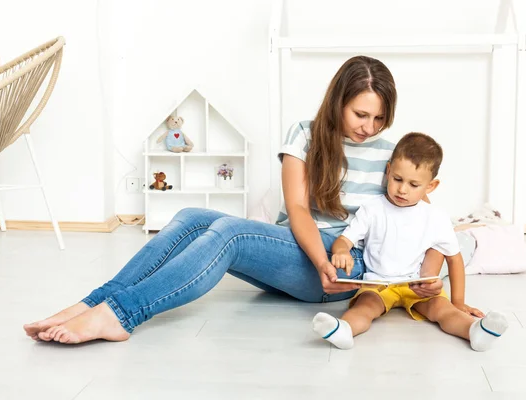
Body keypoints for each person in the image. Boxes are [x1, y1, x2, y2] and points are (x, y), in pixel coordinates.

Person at [23, 55, 446, 344]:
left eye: (378, 117)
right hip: (304, 254)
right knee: (190, 215)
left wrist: (430, 273)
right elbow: (297, 209)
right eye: (360, 114)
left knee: (230, 233)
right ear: (339, 102)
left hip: (341, 267)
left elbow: (419, 216)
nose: (368, 127)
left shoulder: (390, 154)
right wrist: (315, 258)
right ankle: (94, 301)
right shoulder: (304, 134)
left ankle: (119, 316)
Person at [312, 132, 508, 351]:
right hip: (378, 284)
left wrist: (459, 302)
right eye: (397, 179)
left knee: (443, 311)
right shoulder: (372, 210)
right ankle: (344, 330)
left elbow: (454, 259)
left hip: (417, 286)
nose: (402, 190)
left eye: (414, 185)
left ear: (431, 186)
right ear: (388, 171)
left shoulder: (435, 217)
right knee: (364, 308)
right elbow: (344, 241)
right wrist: (341, 252)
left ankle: (474, 332)